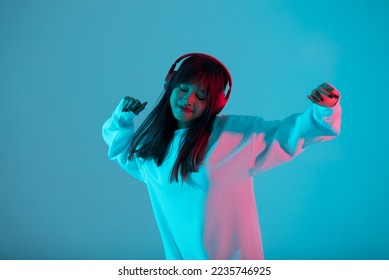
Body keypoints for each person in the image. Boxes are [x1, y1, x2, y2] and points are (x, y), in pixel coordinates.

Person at [102, 53, 341, 260]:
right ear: (170, 86)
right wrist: (121, 119)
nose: (188, 99)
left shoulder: (235, 135)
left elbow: (290, 135)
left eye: (201, 96)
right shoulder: (154, 150)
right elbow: (123, 151)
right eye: (183, 88)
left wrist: (323, 111)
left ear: (215, 103)